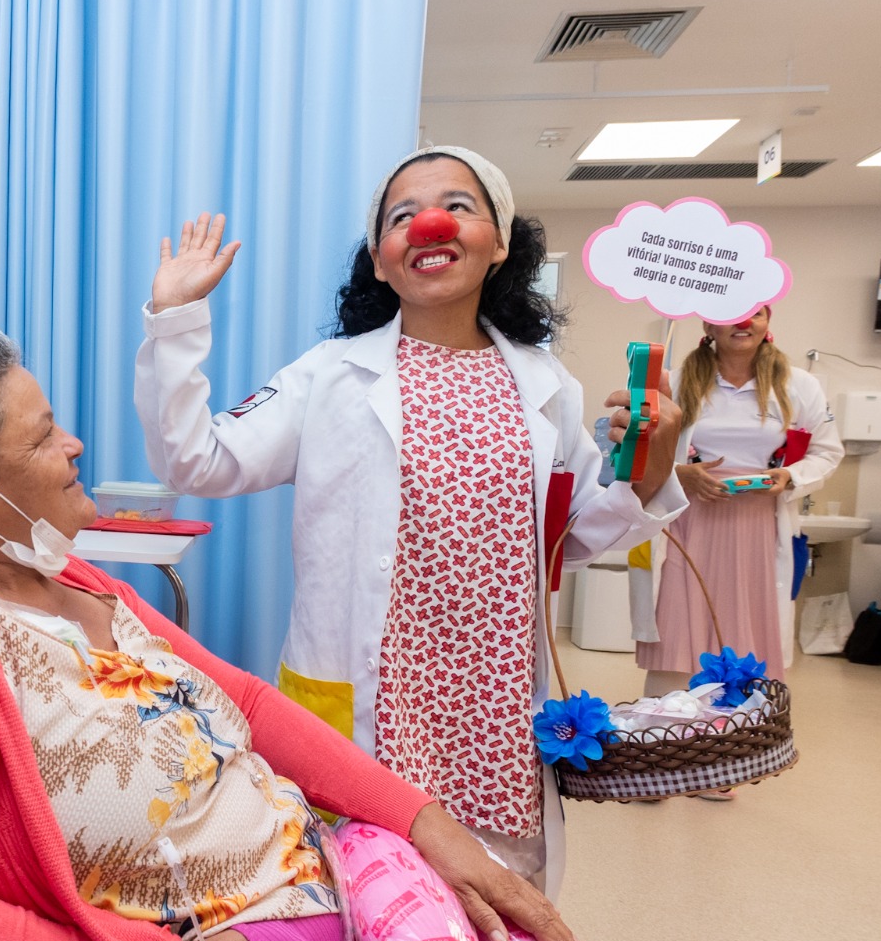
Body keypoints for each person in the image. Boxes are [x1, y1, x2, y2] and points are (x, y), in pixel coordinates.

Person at [0, 333, 651, 941]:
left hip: (342, 898)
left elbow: (246, 703)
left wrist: (427, 827)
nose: (73, 445)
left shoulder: (68, 576)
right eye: (42, 437)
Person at [133, 146, 687, 897]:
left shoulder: (545, 385)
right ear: (381, 260)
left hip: (491, 720)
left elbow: (574, 535)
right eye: (403, 217)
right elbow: (195, 461)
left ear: (500, 243)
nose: (431, 225)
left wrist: (653, 463)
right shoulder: (329, 375)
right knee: (369, 911)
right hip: (372, 709)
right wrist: (175, 322)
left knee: (501, 913)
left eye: (459, 207)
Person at [635, 305, 843, 697]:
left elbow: (828, 452)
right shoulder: (677, 382)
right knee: (678, 627)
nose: (744, 322)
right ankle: (668, 723)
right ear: (709, 324)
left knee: (750, 629)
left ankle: (738, 728)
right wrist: (681, 474)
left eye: (756, 313)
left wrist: (790, 476)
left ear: (768, 323)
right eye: (732, 313)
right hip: (689, 523)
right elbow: (640, 451)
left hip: (758, 527)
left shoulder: (798, 385)